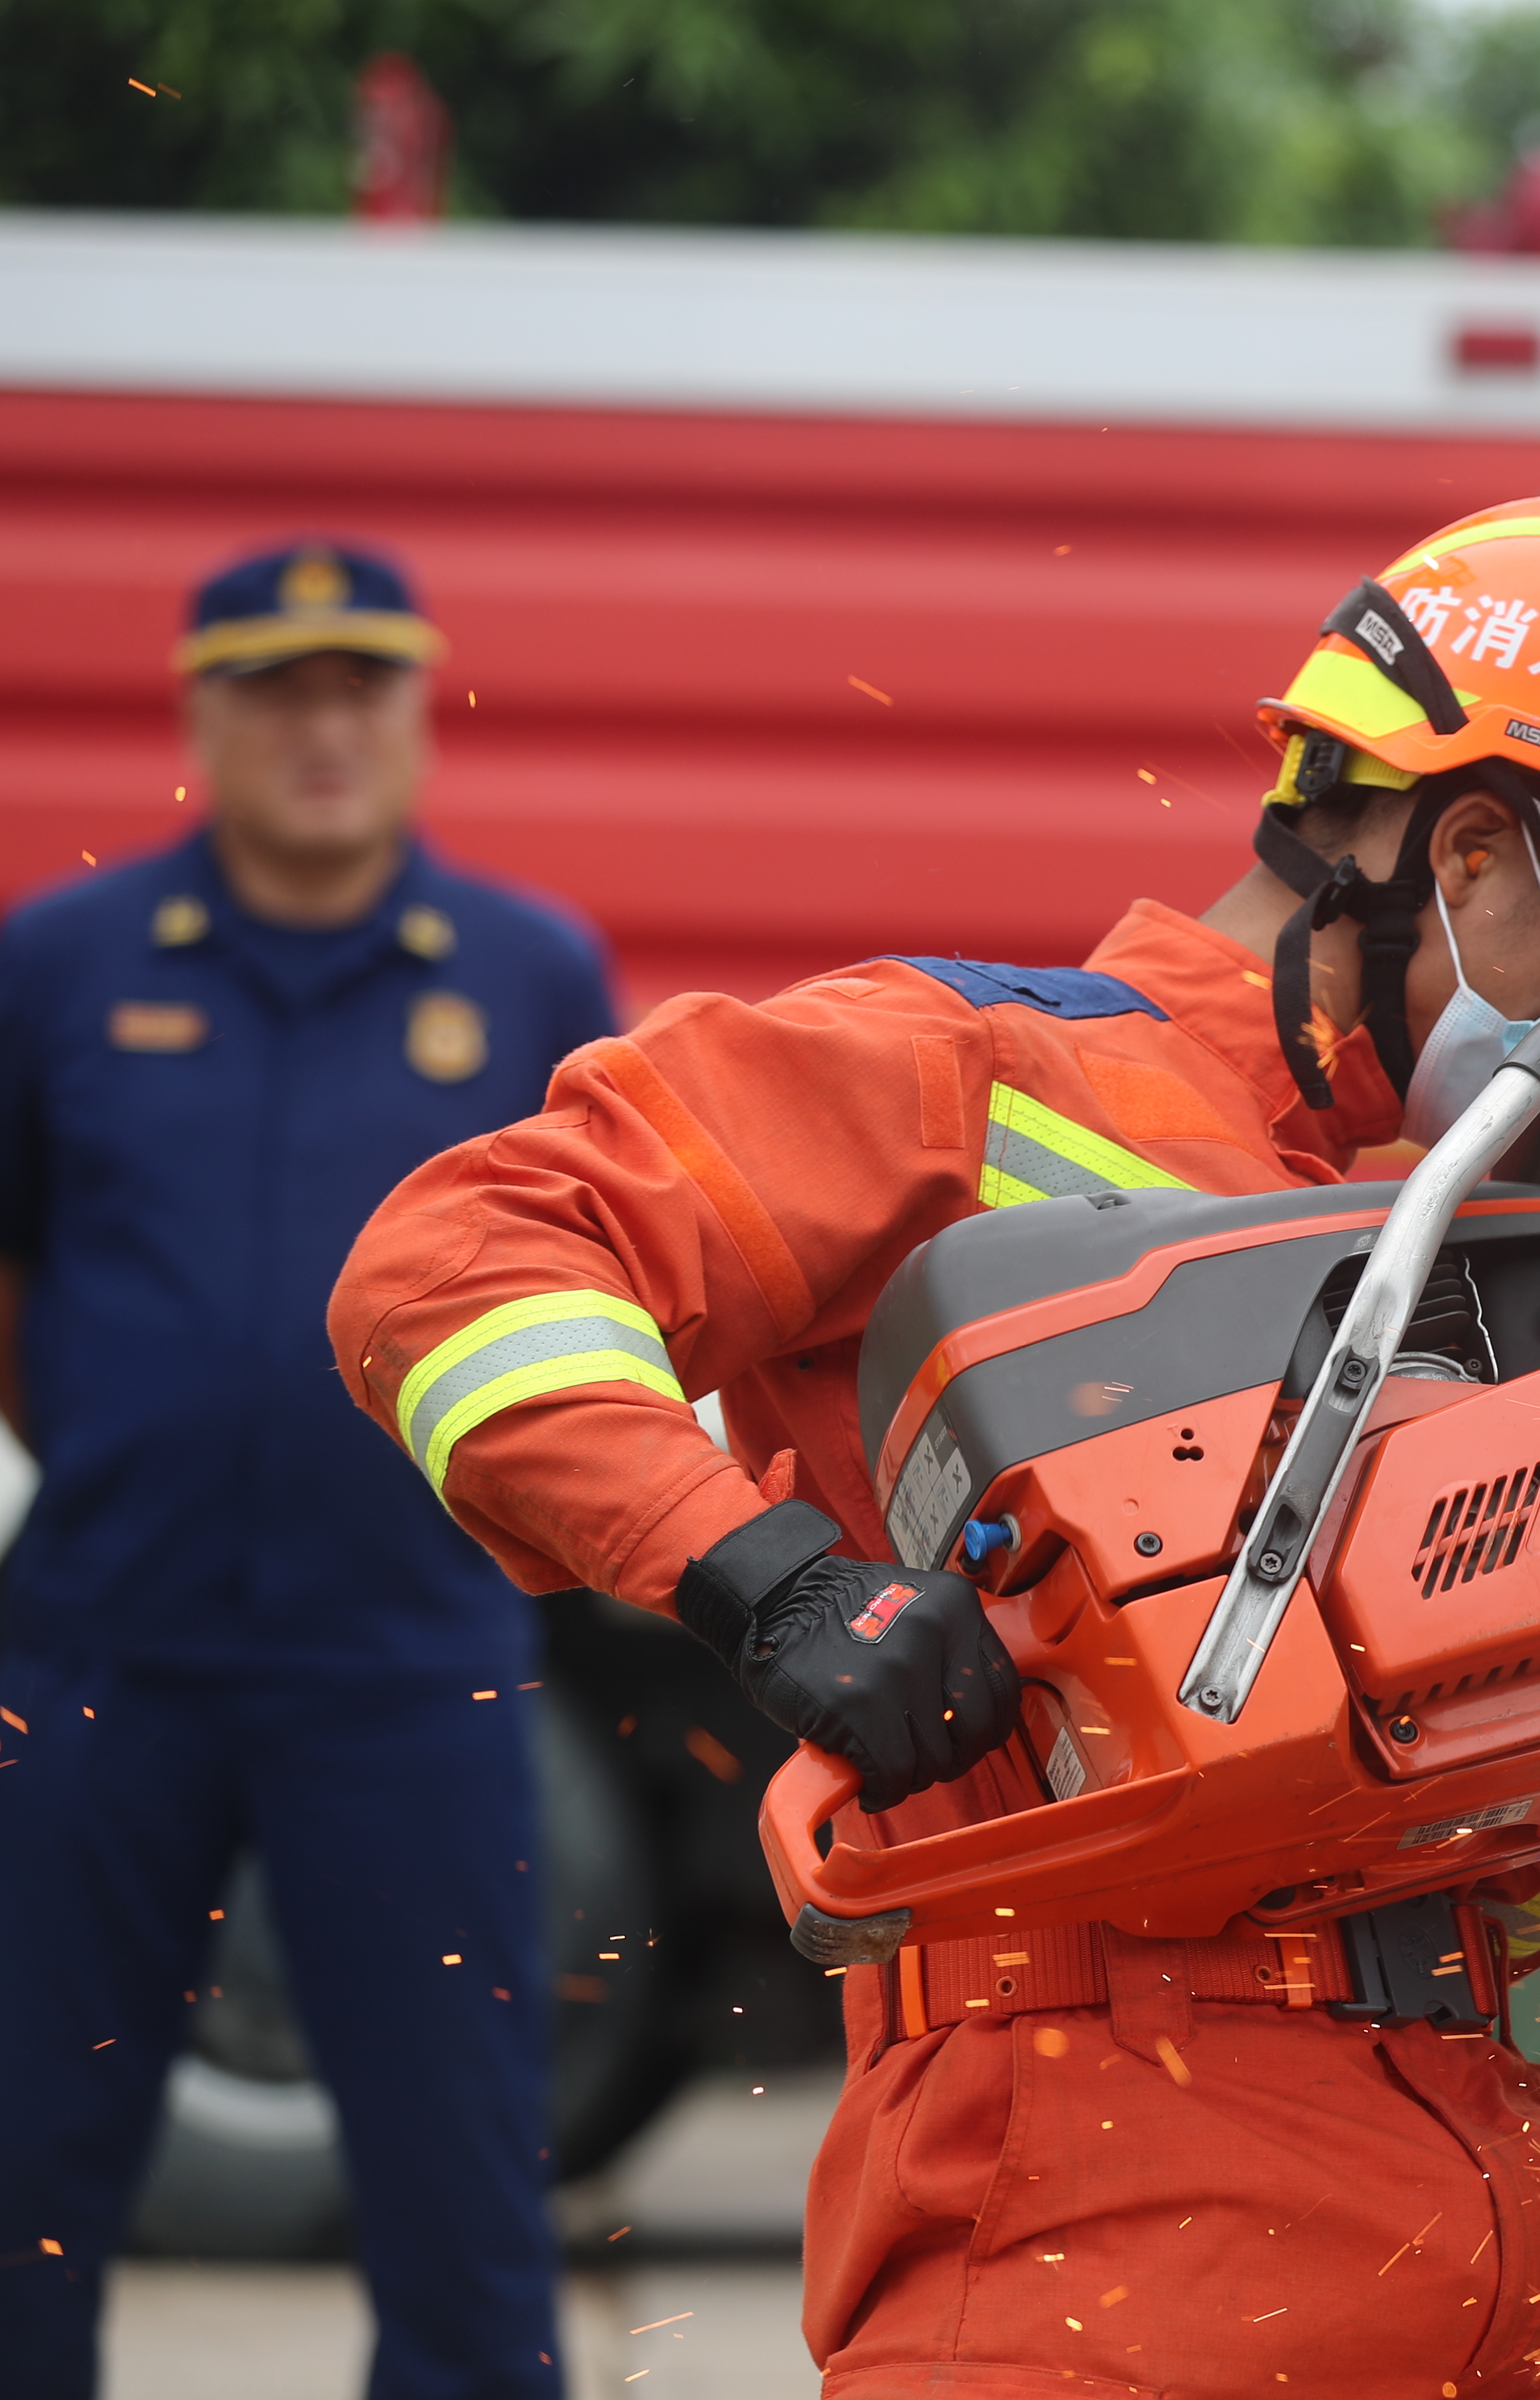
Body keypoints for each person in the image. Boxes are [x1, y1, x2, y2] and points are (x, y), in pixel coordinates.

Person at [326, 497, 1540, 2399]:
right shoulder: (969, 1073)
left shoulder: (1491, 1267)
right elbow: (455, 1258)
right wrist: (767, 1580)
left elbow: (1476, 1816)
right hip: (1093, 2197)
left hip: (1511, 2197)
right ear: (1468, 852)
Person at [0, 541, 618, 2398]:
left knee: (458, 2180)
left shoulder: (526, 973)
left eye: (363, 687)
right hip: (101, 1658)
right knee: (28, 2160)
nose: (323, 728)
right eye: (276, 689)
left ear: (419, 715)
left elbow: (603, 1277)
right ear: (202, 716)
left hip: (409, 1666)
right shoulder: (57, 965)